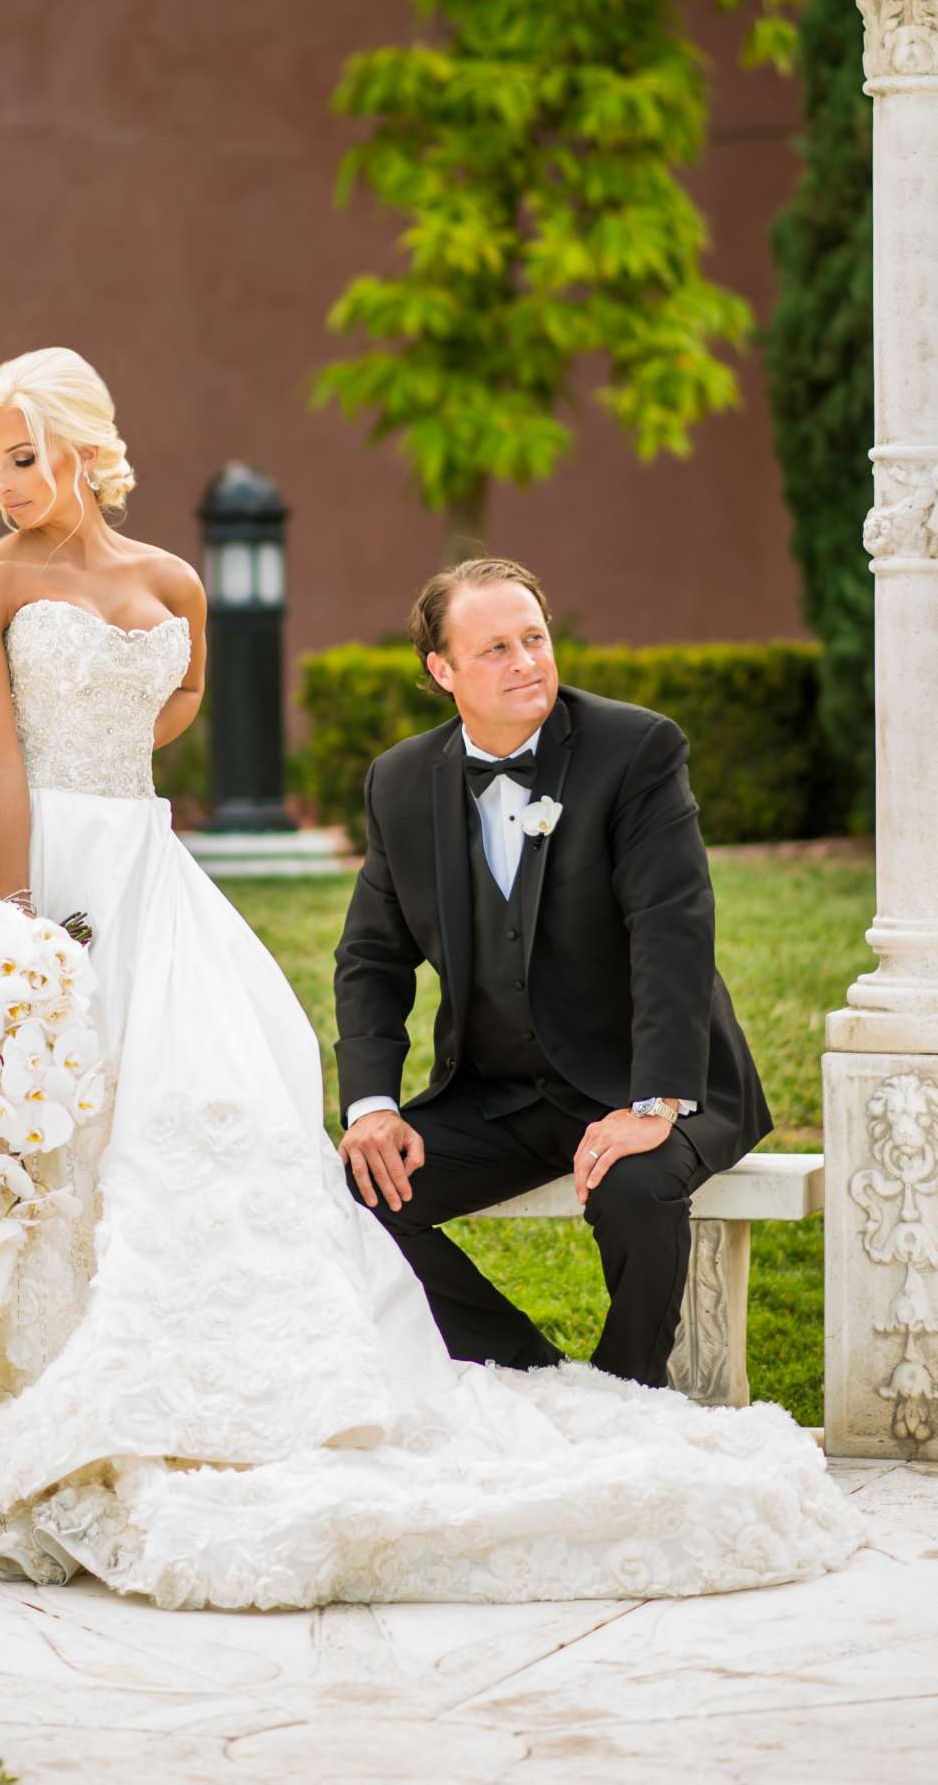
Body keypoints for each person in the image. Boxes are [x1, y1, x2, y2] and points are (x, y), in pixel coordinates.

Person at [0, 349, 859, 1607]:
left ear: (81, 449)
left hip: (148, 868)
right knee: (2, 1140)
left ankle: (486, 1379)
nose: (1, 486)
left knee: (203, 1133)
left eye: (19, 457)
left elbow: (183, 696)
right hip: (23, 863)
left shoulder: (179, 579)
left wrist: (116, 756)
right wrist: (26, 918)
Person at [334, 556, 771, 1390]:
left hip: (649, 1082)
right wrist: (373, 1105)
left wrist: (652, 1104)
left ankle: (627, 1394)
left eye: (534, 638)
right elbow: (372, 956)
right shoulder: (399, 782)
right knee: (353, 1192)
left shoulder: (636, 748)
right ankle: (528, 1376)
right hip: (497, 1093)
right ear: (442, 669)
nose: (527, 662)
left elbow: (672, 928)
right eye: (495, 647)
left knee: (637, 1185)